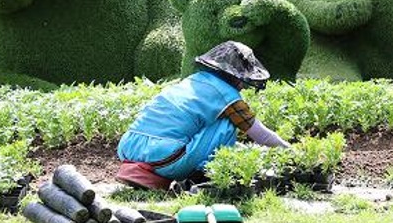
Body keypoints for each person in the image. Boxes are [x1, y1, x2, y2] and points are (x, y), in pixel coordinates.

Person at [116, 40, 290, 190]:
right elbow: (261, 135)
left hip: (128, 147)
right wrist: (292, 153)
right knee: (228, 124)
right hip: (165, 158)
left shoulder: (192, 81)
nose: (243, 87)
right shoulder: (228, 97)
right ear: (235, 76)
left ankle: (141, 170)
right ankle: (200, 178)